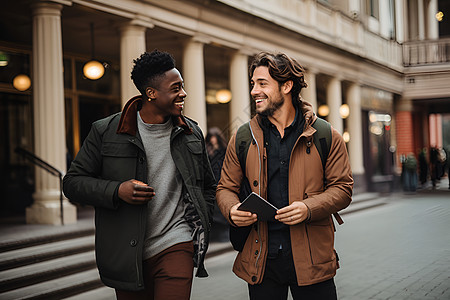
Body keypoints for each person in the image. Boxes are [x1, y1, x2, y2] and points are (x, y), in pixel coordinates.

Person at [63, 50, 216, 300]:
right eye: (176, 88)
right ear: (151, 93)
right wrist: (117, 191)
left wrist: (197, 224)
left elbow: (208, 186)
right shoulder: (105, 131)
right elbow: (72, 183)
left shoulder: (191, 132)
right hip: (126, 252)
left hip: (176, 243)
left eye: (183, 86)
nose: (183, 94)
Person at [216, 51, 353, 300]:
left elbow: (342, 189)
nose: (254, 91)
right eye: (253, 84)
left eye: (262, 84)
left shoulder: (326, 135)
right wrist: (232, 210)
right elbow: (225, 187)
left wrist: (308, 208)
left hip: (313, 260)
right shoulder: (243, 137)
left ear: (287, 86)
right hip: (261, 259)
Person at [206, 127, 229, 242]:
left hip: (222, 182)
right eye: (211, 137)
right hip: (211, 185)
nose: (213, 139)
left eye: (214, 136)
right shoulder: (207, 152)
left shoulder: (225, 151)